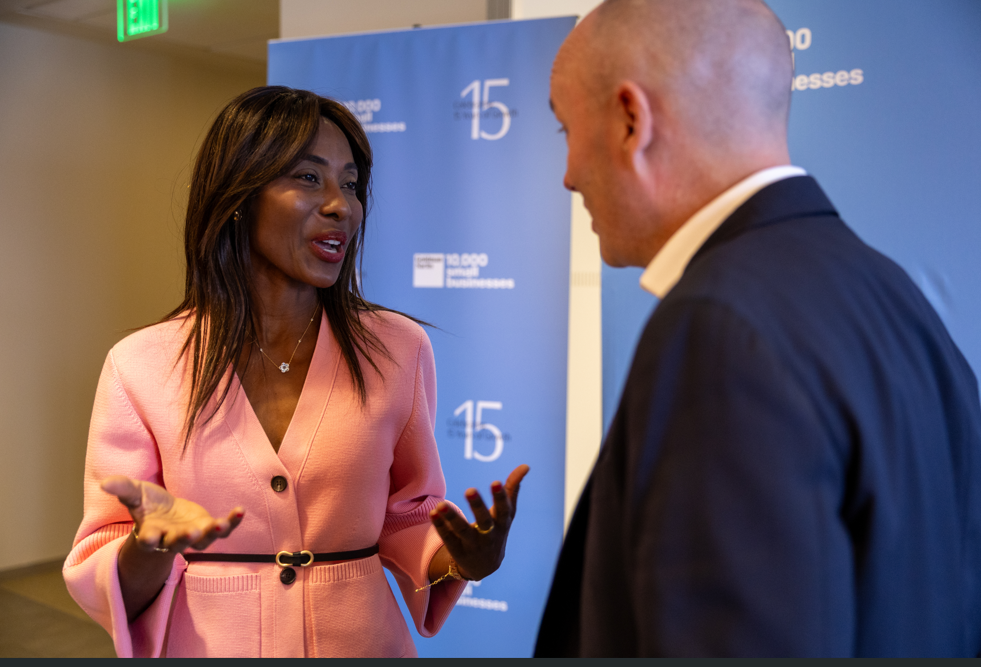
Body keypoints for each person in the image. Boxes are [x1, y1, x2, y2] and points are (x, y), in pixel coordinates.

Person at [536, 0, 981, 657]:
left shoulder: (717, 331)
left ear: (631, 120)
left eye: (564, 129)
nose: (568, 175)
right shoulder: (893, 296)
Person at [63, 86, 529, 658]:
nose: (341, 206)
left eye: (350, 184)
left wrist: (462, 557)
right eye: (309, 178)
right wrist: (151, 543)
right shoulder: (140, 364)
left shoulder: (397, 348)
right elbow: (106, 557)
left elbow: (406, 515)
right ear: (239, 194)